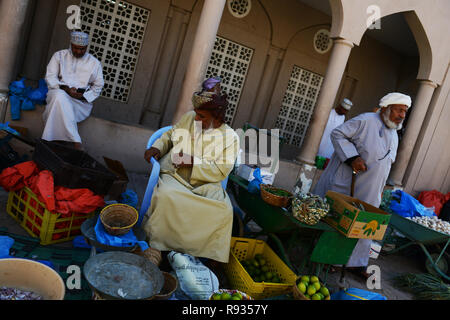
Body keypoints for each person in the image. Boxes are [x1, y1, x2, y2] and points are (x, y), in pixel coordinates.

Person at [142, 78, 240, 263]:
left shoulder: (231, 137)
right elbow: (170, 135)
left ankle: (201, 257)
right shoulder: (189, 118)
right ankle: (157, 247)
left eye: (201, 116)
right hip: (175, 175)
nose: (195, 118)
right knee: (167, 196)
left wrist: (193, 163)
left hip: (207, 184)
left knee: (225, 210)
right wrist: (158, 147)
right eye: (196, 113)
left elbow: (221, 170)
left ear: (217, 116)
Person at [313, 92, 411, 276]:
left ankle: (355, 264)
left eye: (405, 111)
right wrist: (353, 157)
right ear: (386, 108)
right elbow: (338, 134)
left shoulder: (394, 134)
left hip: (371, 190)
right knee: (339, 223)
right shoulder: (366, 120)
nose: (402, 115)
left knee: (365, 226)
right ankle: (329, 259)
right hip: (347, 184)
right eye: (399, 110)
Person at [42, 31, 104, 150]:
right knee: (60, 96)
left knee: (60, 102)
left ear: (86, 47)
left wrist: (80, 96)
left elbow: (98, 87)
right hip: (57, 93)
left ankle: (47, 141)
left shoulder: (94, 63)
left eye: (82, 49)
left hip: (79, 103)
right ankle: (75, 140)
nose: (79, 51)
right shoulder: (59, 56)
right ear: (71, 44)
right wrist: (66, 89)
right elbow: (50, 77)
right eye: (76, 48)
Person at [316, 98, 353, 168]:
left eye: (346, 111)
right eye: (344, 110)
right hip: (322, 141)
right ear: (339, 107)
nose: (344, 112)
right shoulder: (329, 113)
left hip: (331, 145)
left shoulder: (343, 117)